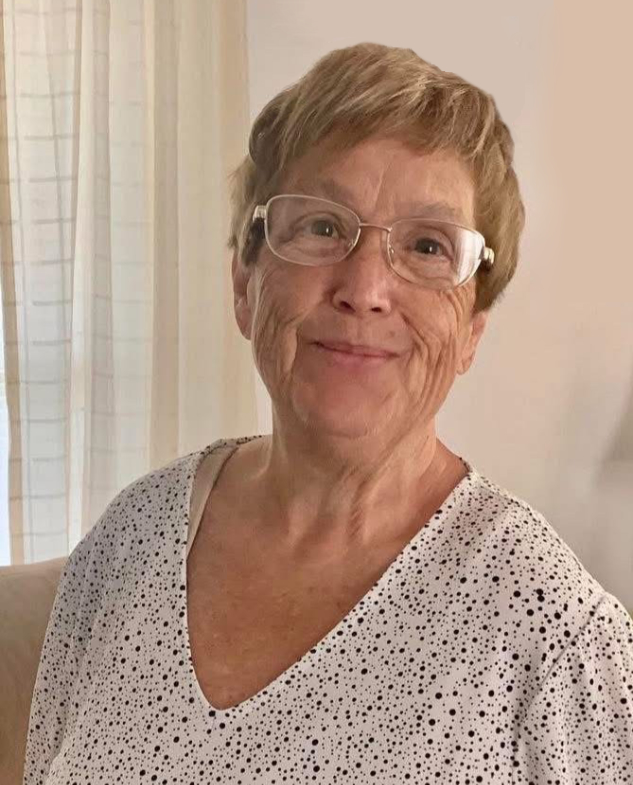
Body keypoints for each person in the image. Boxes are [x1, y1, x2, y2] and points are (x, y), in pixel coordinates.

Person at [24, 43, 632, 784]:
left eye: (427, 245)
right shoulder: (127, 542)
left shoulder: (552, 629)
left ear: (473, 327)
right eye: (320, 227)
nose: (365, 288)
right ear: (244, 282)